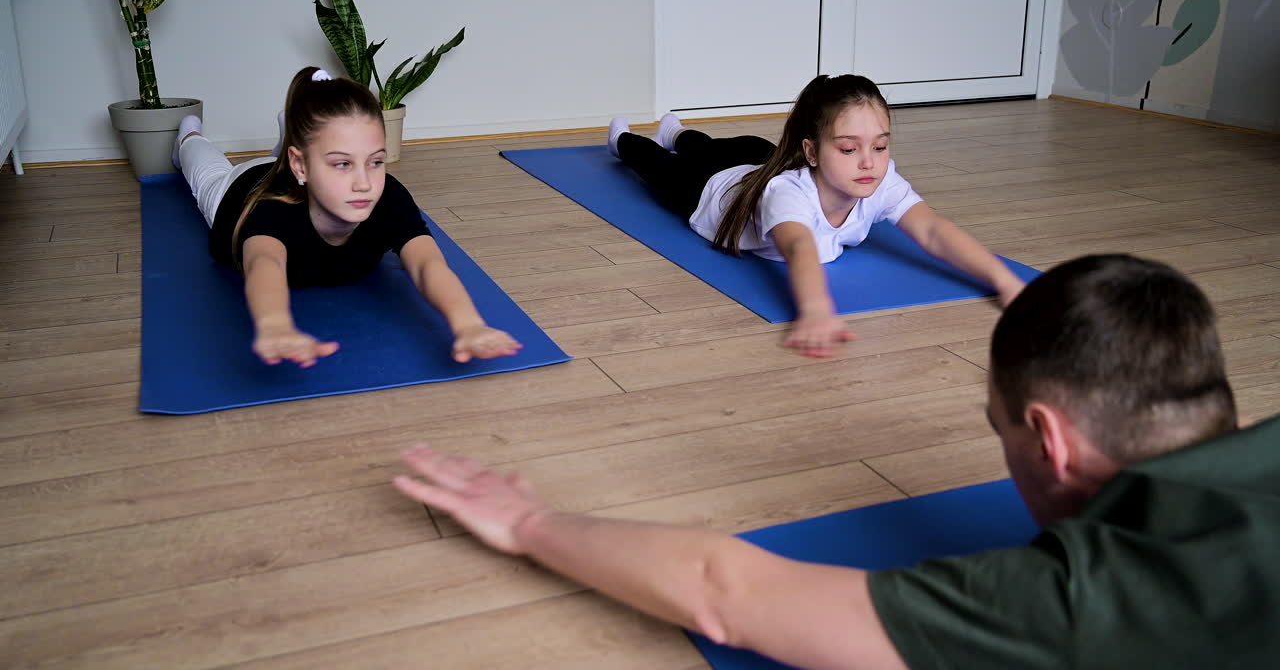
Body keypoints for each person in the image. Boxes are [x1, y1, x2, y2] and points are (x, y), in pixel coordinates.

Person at [392, 254, 1280, 669]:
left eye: (998, 429)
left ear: (1047, 439)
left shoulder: (1085, 599)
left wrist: (529, 521)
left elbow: (724, 595)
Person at [607, 74, 1026, 357]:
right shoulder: (788, 193)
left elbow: (934, 231)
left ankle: (677, 132)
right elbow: (800, 247)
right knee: (659, 167)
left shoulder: (878, 181)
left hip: (757, 167)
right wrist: (816, 310)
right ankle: (625, 139)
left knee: (736, 144)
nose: (868, 162)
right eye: (849, 149)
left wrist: (1004, 280)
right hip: (708, 192)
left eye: (879, 146)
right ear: (812, 152)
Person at [172, 66, 522, 368]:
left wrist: (468, 324)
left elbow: (427, 263)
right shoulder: (271, 210)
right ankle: (189, 136)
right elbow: (265, 264)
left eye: (376, 161)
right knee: (204, 171)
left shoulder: (388, 197)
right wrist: (275, 324)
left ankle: (293, 137)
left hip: (299, 166)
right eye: (342, 163)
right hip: (241, 187)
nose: (364, 183)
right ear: (301, 165)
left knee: (330, 166)